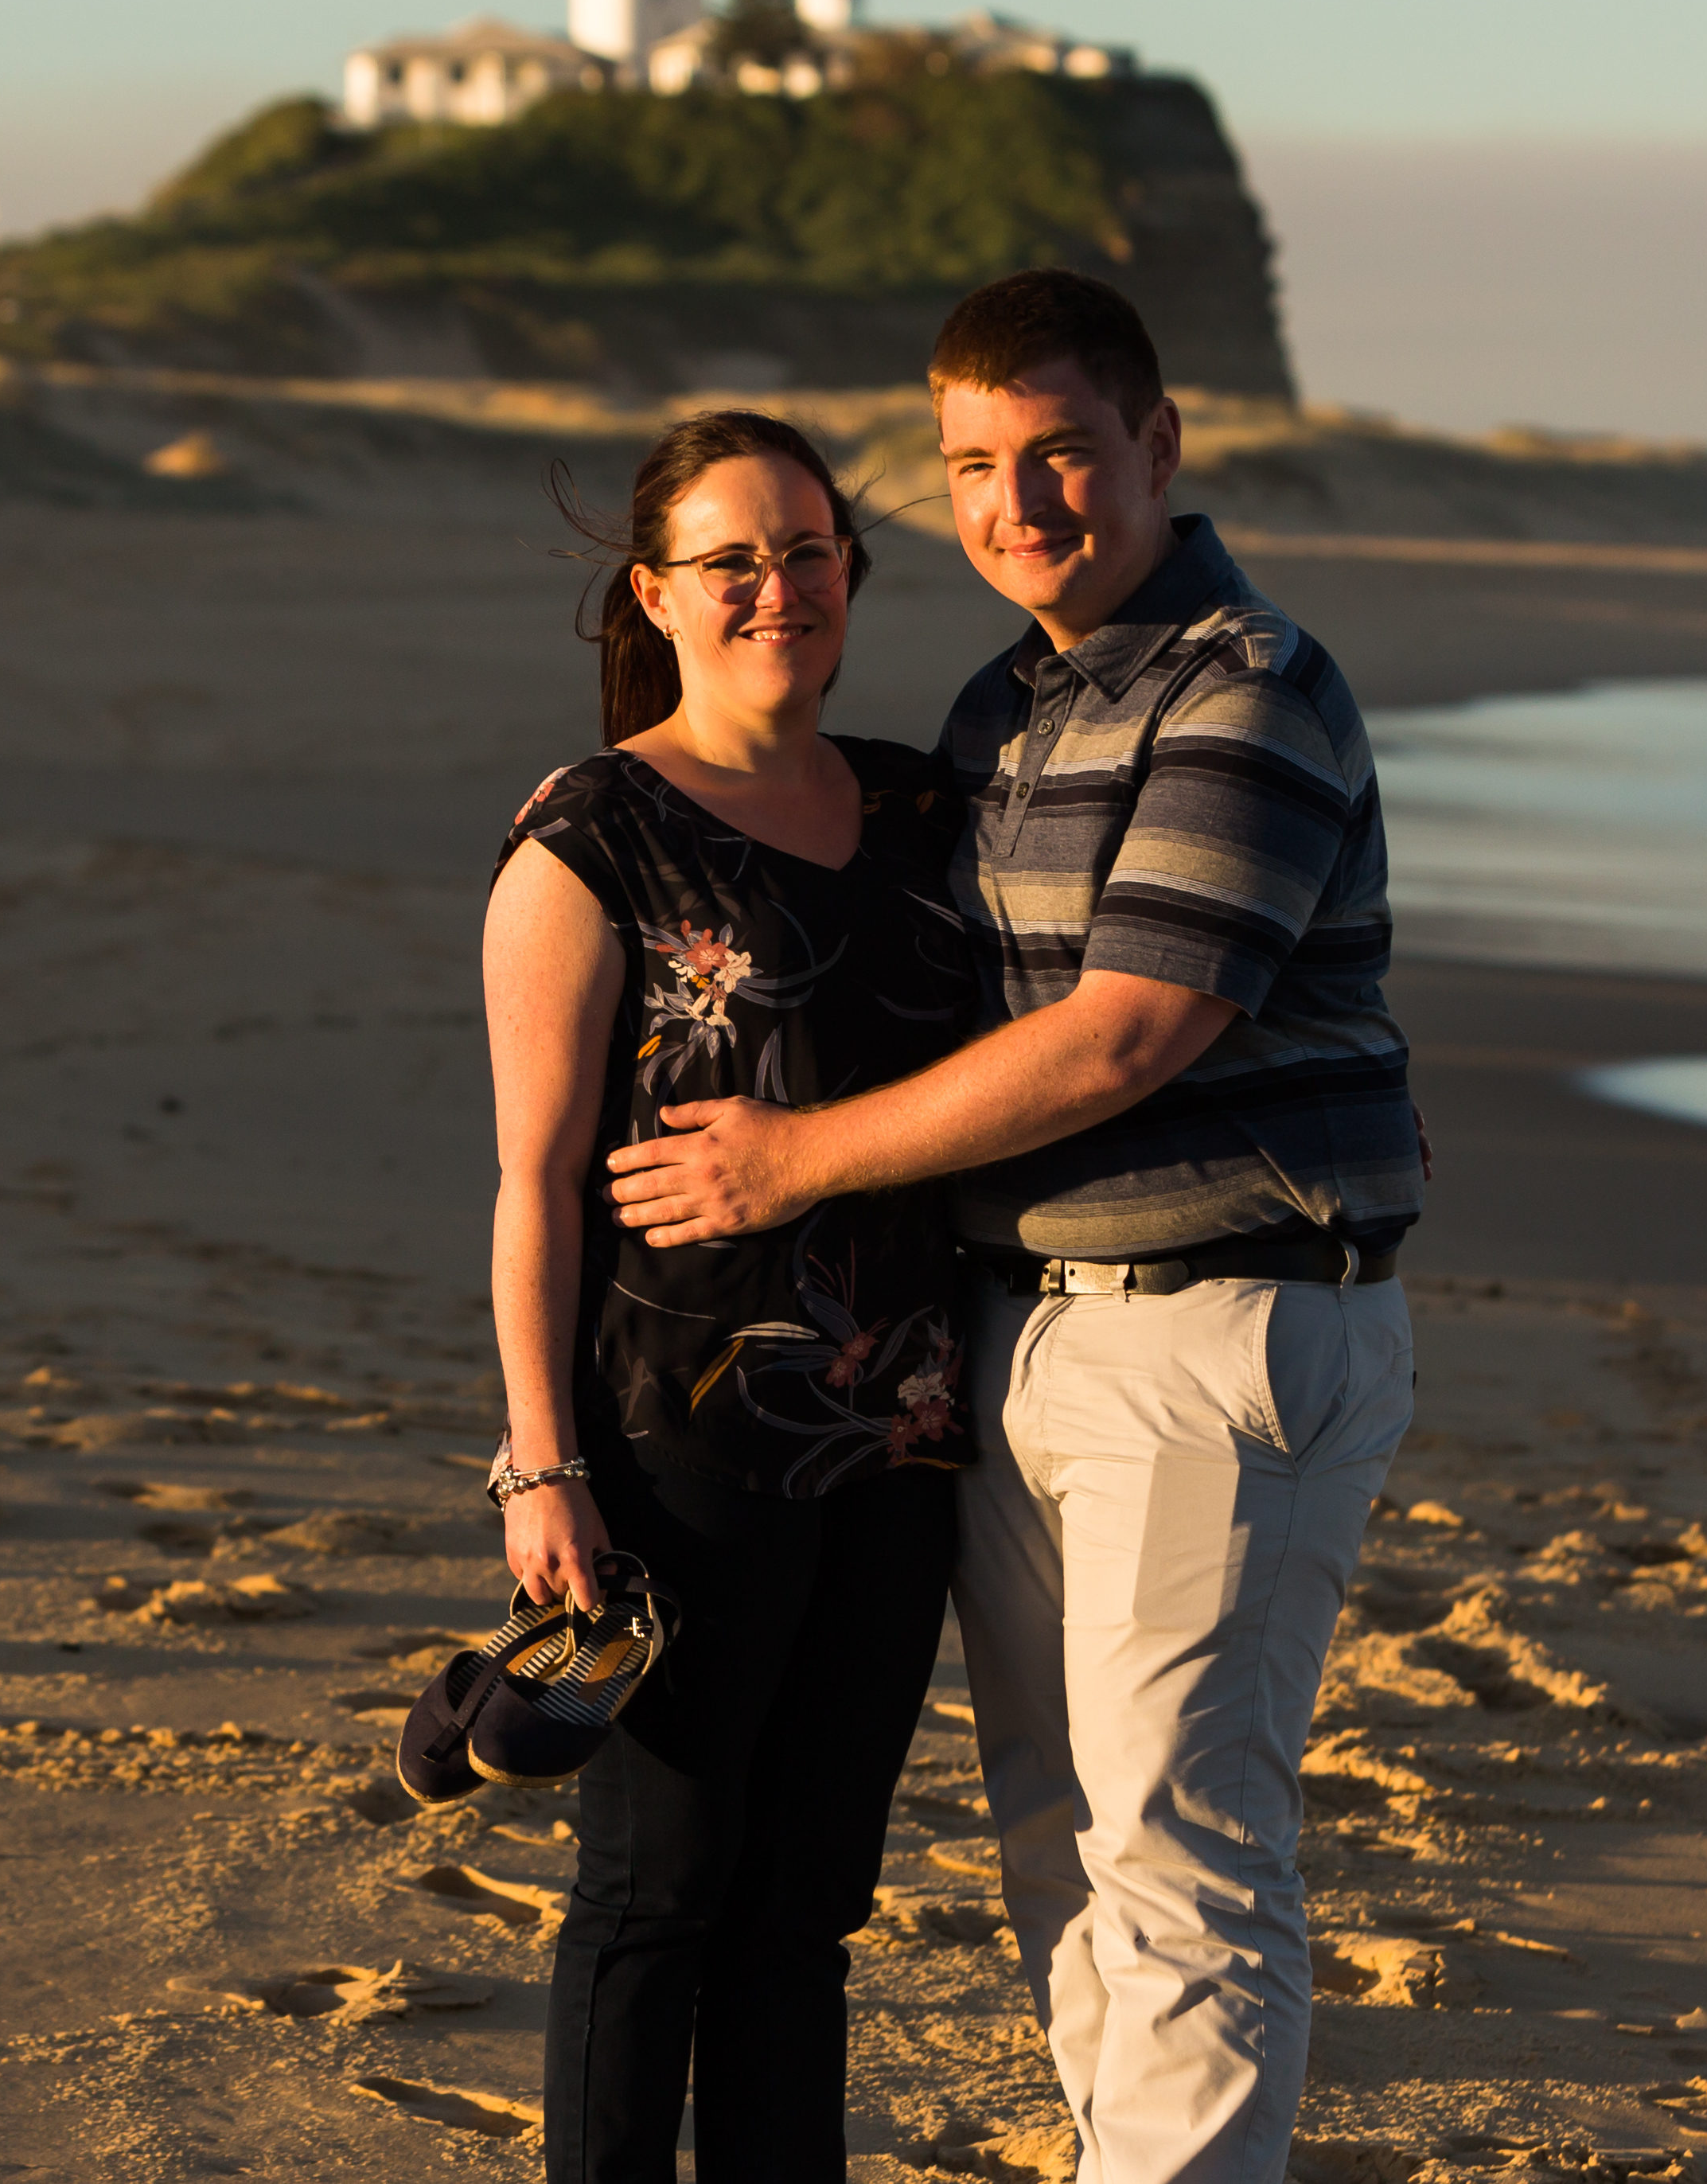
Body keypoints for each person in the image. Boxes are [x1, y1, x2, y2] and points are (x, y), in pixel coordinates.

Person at [604, 271, 1423, 2184]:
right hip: (1024, 1330)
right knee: (1061, 1834)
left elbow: (1129, 1030)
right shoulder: (1004, 705)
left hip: (1222, 1329)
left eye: (1059, 450)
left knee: (1180, 1838)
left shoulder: (1249, 681)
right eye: (971, 462)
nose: (1015, 499)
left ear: (1155, 444)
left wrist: (791, 1165)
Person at [482, 408, 980, 2184]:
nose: (781, 587)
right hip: (677, 1445)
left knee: (807, 1905)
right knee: (658, 1892)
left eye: (811, 550)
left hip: (908, 1438)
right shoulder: (591, 832)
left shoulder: (933, 806)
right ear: (657, 594)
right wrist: (542, 1471)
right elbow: (536, 1184)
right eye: (735, 559)